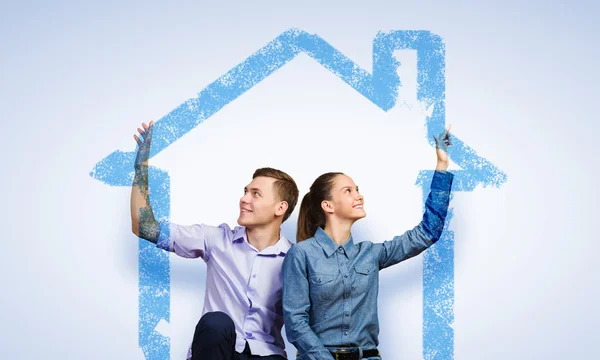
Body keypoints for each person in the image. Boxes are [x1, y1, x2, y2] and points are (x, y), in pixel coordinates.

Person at [282, 127, 455, 360]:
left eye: (358, 190)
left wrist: (441, 166)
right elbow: (295, 322)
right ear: (328, 206)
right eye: (348, 191)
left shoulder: (371, 254)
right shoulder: (301, 254)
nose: (359, 195)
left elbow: (427, 232)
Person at [131, 121, 299, 360]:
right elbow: (143, 226)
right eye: (245, 191)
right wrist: (141, 169)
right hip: (216, 349)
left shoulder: (296, 258)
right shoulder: (216, 239)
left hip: (267, 353)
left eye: (255, 194)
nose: (243, 199)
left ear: (280, 207)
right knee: (216, 322)